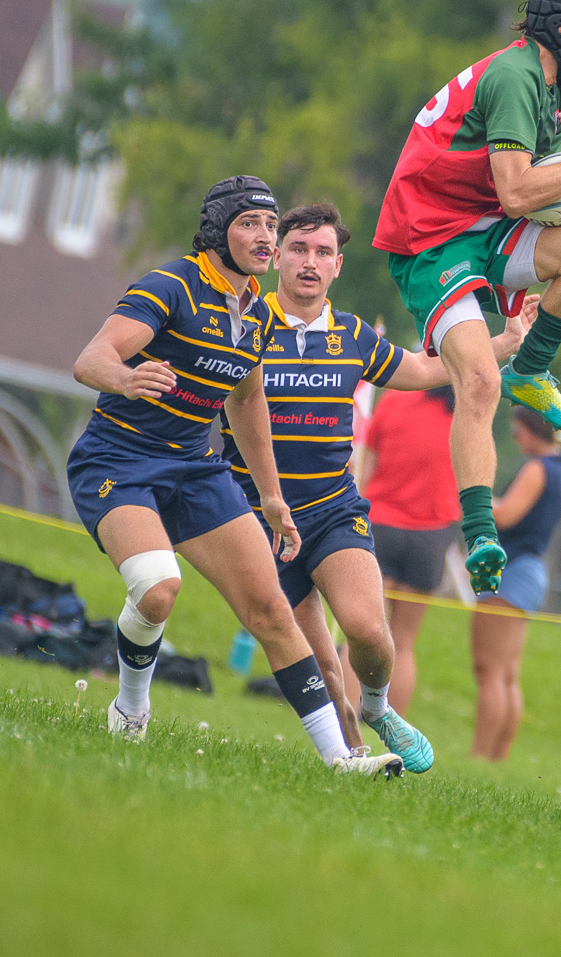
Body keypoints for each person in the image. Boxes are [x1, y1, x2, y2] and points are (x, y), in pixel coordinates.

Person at [66, 177, 398, 776]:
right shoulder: (173, 285)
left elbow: (246, 401)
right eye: (251, 224)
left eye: (272, 227)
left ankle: (341, 760)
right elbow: (92, 358)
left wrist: (271, 497)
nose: (266, 237)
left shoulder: (253, 309)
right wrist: (125, 378)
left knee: (271, 610)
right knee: (158, 588)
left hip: (197, 469)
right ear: (219, 229)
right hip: (119, 463)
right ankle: (130, 708)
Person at [222, 202, 534, 772]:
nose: (309, 263)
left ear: (339, 266)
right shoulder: (242, 324)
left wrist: (504, 343)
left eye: (322, 253)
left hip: (333, 511)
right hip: (257, 518)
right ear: (276, 258)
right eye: (298, 249)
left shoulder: (353, 336)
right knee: (319, 663)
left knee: (370, 632)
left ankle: (379, 707)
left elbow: (421, 369)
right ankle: (355, 760)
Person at [372, 0, 561, 602]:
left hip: (483, 227)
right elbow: (516, 191)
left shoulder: (551, 88)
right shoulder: (514, 80)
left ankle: (532, 370)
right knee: (477, 379)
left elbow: (523, 201)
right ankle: (481, 532)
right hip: (431, 238)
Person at [470, 406, 561, 761]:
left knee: (489, 671)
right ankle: (499, 757)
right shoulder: (559, 469)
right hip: (531, 572)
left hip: (511, 571)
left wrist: (472, 498)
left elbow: (507, 515)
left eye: (518, 431)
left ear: (534, 430)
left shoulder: (536, 467)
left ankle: (480, 756)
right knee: (508, 674)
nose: (516, 438)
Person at [358, 385, 464, 713]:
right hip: (431, 538)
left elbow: (366, 466)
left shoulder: (395, 400)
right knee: (403, 643)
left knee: (361, 633)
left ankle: (346, 726)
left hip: (381, 526)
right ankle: (391, 727)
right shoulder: (467, 415)